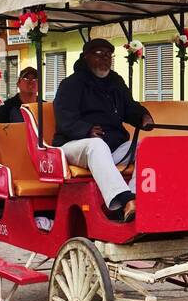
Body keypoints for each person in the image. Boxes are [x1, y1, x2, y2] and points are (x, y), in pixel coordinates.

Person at [53, 38, 154, 221]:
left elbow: (129, 107)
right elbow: (64, 117)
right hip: (73, 146)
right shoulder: (71, 84)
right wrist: (86, 130)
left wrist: (142, 116)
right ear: (86, 57)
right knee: (96, 145)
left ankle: (137, 198)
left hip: (110, 147)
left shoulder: (115, 82)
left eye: (108, 55)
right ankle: (124, 200)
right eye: (99, 54)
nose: (105, 58)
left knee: (145, 147)